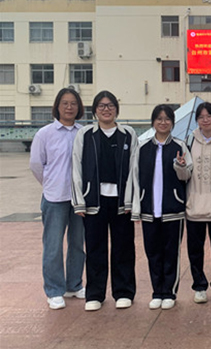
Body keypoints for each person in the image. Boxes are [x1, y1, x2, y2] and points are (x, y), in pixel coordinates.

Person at [72, 90, 138, 311]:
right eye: (101, 106)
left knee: (123, 248)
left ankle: (124, 292)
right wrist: (79, 200)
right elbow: (76, 167)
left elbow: (134, 170)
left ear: (116, 110)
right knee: (95, 248)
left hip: (121, 203)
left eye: (110, 105)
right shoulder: (85, 134)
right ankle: (95, 294)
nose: (106, 109)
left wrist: (131, 200)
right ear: (95, 111)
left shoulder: (128, 134)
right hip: (94, 201)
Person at [30, 88, 86, 310]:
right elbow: (36, 165)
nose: (69, 107)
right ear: (57, 106)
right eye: (65, 103)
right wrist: (50, 183)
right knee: (53, 246)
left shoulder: (84, 133)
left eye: (73, 103)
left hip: (79, 199)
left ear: (79, 107)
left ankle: (74, 284)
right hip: (54, 198)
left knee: (77, 244)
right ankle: (54, 290)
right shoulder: (45, 134)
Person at [132, 105, 192, 310]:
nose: (163, 122)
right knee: (153, 252)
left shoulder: (180, 145)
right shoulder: (142, 148)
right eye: (159, 119)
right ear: (153, 122)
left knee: (171, 252)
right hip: (149, 209)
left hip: (173, 208)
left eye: (167, 119)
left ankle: (169, 292)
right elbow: (135, 177)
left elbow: (187, 175)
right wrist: (137, 205)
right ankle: (157, 291)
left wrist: (180, 166)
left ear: (173, 123)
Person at [185, 102, 211, 304]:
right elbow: (184, 173)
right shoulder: (189, 141)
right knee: (195, 251)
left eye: (209, 116)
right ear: (196, 120)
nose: (205, 120)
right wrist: (180, 167)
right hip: (194, 206)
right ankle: (199, 286)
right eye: (201, 117)